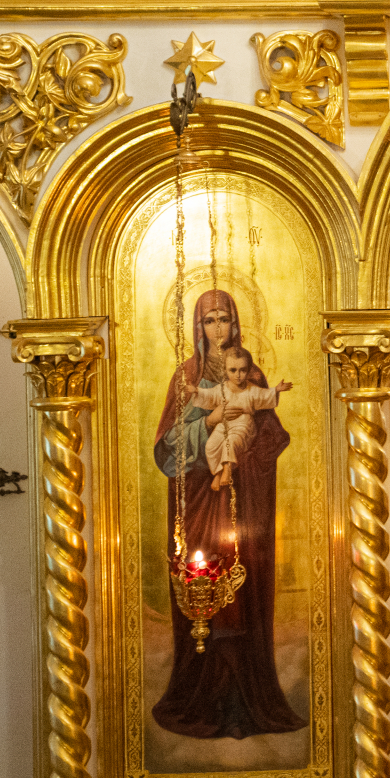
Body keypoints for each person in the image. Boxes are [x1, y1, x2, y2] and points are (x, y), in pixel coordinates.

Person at [152, 290, 306, 740]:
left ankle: (245, 696)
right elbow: (167, 447)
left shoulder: (251, 374)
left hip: (244, 504)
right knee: (203, 590)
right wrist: (207, 423)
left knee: (242, 590)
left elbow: (272, 438)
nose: (217, 328)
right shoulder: (186, 377)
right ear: (197, 327)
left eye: (224, 319)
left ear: (235, 324)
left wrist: (248, 449)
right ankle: (202, 694)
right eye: (209, 320)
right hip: (200, 500)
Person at [188, 346, 294, 491]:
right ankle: (217, 473)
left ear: (249, 370)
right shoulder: (222, 389)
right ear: (225, 370)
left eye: (242, 370)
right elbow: (209, 395)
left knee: (231, 442)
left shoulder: (252, 390)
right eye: (233, 370)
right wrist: (196, 391)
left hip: (244, 425)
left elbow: (264, 396)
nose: (238, 375)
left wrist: (276, 390)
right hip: (224, 424)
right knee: (211, 445)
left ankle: (227, 470)